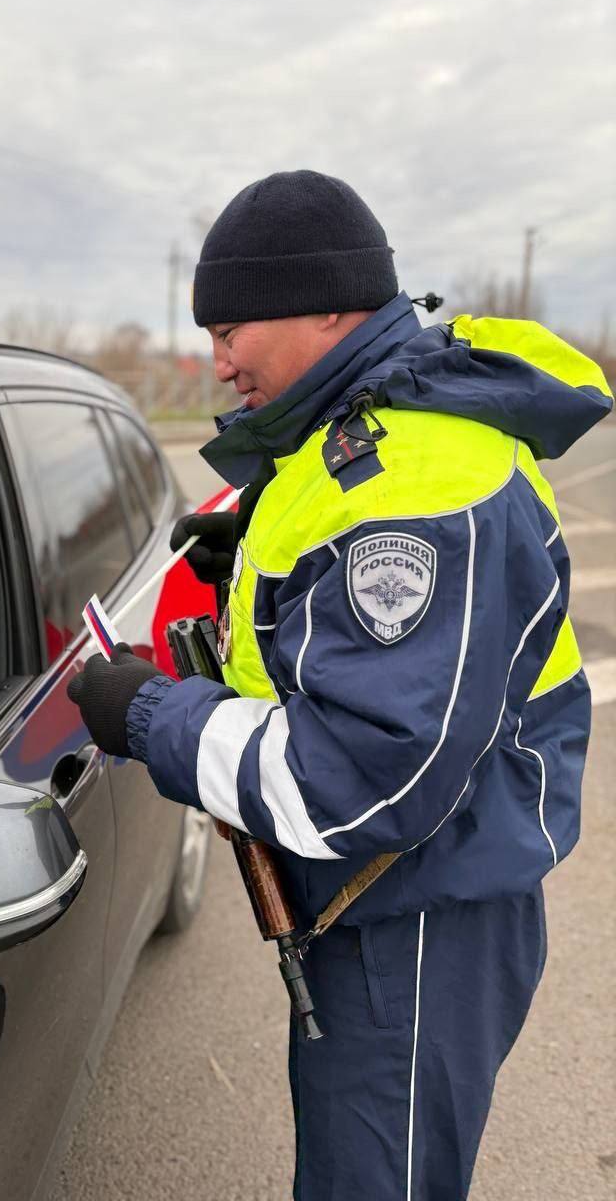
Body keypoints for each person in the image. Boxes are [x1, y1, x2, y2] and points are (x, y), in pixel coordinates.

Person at [67, 170, 613, 1199]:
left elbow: (354, 779)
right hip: (397, 895)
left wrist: (147, 712)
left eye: (231, 328)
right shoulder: (351, 433)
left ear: (325, 305)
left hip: (416, 914)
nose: (218, 360)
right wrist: (249, 571)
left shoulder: (415, 484)